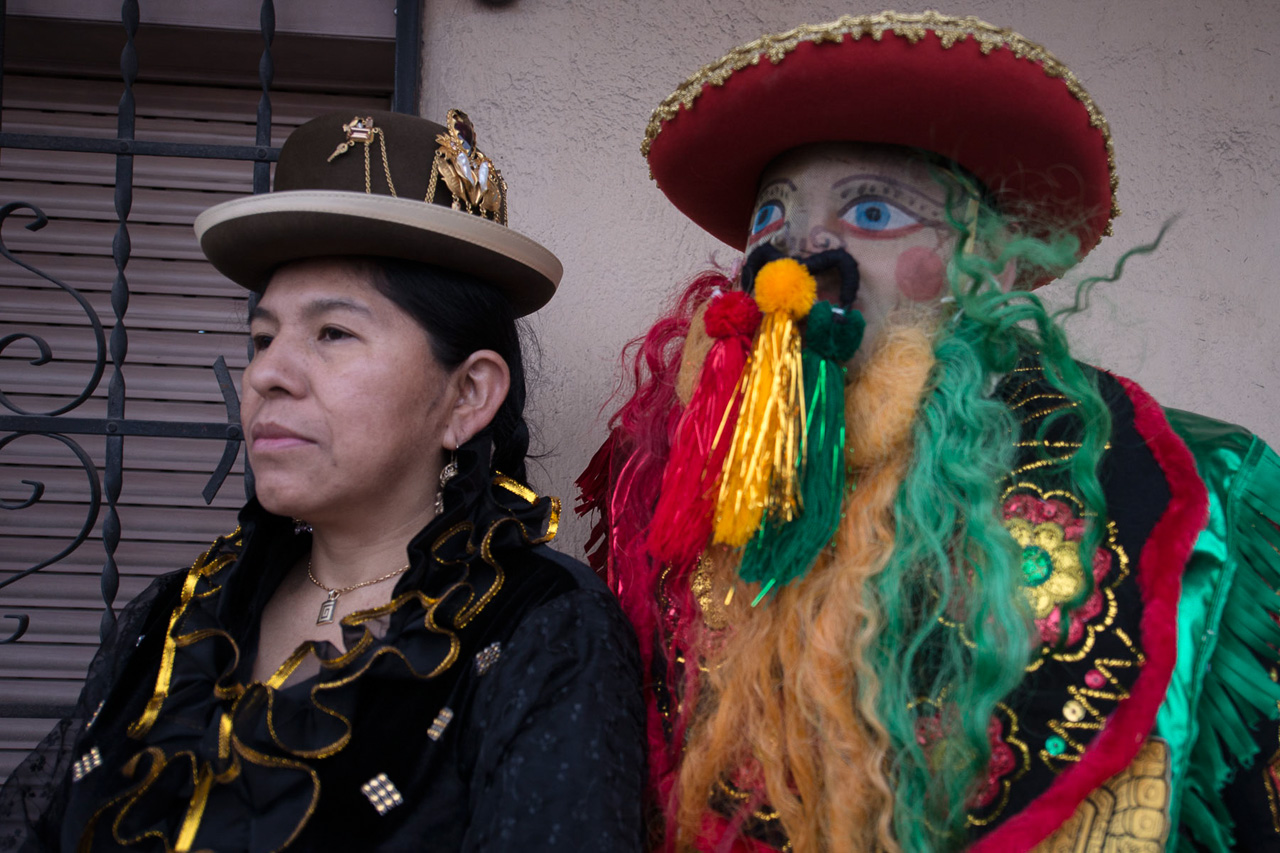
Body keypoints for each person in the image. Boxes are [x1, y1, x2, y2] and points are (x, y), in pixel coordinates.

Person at [577, 11, 1280, 852]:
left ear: (992, 269)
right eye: (771, 215)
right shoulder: (684, 497)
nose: (799, 249)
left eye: (873, 211)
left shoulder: (1199, 486)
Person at [0, 109, 645, 851]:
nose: (266, 374)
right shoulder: (177, 616)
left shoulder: (542, 630)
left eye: (332, 333)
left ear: (467, 395)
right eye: (262, 337)